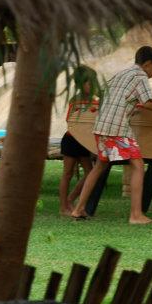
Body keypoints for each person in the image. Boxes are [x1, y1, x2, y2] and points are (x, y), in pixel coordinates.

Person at [71, 46, 152, 224]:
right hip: (117, 129)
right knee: (138, 166)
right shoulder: (140, 76)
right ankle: (136, 215)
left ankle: (78, 209)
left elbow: (106, 96)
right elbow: (148, 103)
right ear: (147, 64)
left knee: (99, 167)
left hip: (101, 126)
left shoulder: (121, 73)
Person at [59, 66, 98, 215]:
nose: (93, 86)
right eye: (90, 83)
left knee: (90, 172)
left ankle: (71, 199)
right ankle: (63, 207)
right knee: (67, 173)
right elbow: (71, 121)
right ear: (81, 84)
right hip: (71, 140)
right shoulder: (75, 100)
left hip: (84, 142)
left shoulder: (95, 102)